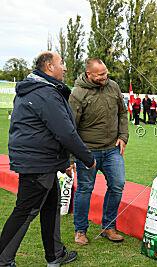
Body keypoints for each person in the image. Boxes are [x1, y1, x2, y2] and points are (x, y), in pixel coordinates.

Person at [0, 51, 96, 267]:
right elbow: (65, 132)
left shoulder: (40, 90)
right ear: (49, 67)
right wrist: (87, 158)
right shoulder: (45, 93)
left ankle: (55, 254)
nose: (64, 68)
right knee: (25, 211)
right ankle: (3, 260)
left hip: (42, 161)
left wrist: (65, 160)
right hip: (38, 163)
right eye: (61, 63)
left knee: (51, 206)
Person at [69, 58, 129, 245]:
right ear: (89, 74)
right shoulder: (77, 93)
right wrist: (70, 157)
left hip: (112, 149)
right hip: (87, 151)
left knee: (118, 184)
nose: (105, 77)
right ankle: (80, 231)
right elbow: (70, 127)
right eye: (100, 74)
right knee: (85, 189)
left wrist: (123, 136)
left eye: (106, 73)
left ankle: (108, 227)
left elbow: (122, 112)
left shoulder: (113, 87)